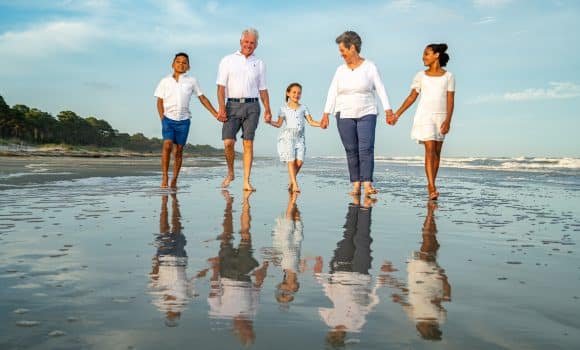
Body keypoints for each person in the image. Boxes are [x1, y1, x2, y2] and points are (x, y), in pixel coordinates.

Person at [320, 31, 394, 196]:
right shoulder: (340, 70)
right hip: (344, 113)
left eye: (343, 50)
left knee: (366, 148)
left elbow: (380, 89)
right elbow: (332, 92)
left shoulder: (370, 67)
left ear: (352, 47)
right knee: (351, 149)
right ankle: (356, 184)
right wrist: (326, 114)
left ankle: (367, 183)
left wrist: (388, 110)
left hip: (367, 111)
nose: (341, 54)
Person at [388, 44, 455, 200]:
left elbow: (451, 100)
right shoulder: (420, 76)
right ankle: (431, 186)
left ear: (436, 55)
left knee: (437, 153)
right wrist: (397, 114)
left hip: (441, 116)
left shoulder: (448, 76)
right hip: (425, 116)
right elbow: (412, 97)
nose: (423, 57)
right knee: (430, 148)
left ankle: (432, 182)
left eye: (427, 54)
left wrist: (448, 120)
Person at [206, 190, 269, 346]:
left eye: (247, 329)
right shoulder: (253, 312)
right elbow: (257, 286)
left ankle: (228, 205)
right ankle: (246, 204)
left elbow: (214, 290)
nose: (250, 325)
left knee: (226, 236)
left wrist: (215, 267)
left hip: (226, 272)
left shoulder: (220, 313)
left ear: (237, 330)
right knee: (246, 235)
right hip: (245, 272)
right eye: (251, 328)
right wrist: (265, 267)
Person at [154, 52, 223, 189]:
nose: (181, 64)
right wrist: (162, 118)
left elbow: (202, 98)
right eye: (178, 61)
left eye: (184, 62)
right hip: (168, 119)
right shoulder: (165, 81)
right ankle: (165, 177)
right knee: (167, 144)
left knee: (179, 150)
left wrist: (215, 113)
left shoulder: (192, 81)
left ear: (188, 66)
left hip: (184, 120)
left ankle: (174, 179)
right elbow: (159, 101)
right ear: (173, 64)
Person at [216, 28, 272, 192]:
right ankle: (231, 172)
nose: (249, 45)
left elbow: (263, 89)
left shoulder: (259, 63)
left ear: (256, 45)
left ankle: (246, 181)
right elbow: (220, 88)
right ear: (241, 42)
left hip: (252, 106)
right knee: (228, 142)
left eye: (252, 43)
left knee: (248, 143)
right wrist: (221, 108)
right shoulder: (228, 60)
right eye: (246, 42)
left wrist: (268, 109)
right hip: (231, 105)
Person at [269, 83, 321, 192]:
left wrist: (321, 124)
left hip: (300, 137)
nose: (296, 95)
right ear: (288, 93)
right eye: (294, 92)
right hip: (288, 137)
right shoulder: (283, 109)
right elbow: (278, 124)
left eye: (299, 93)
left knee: (299, 162)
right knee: (291, 161)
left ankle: (291, 182)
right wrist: (269, 121)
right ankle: (295, 185)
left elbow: (311, 122)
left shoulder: (303, 108)